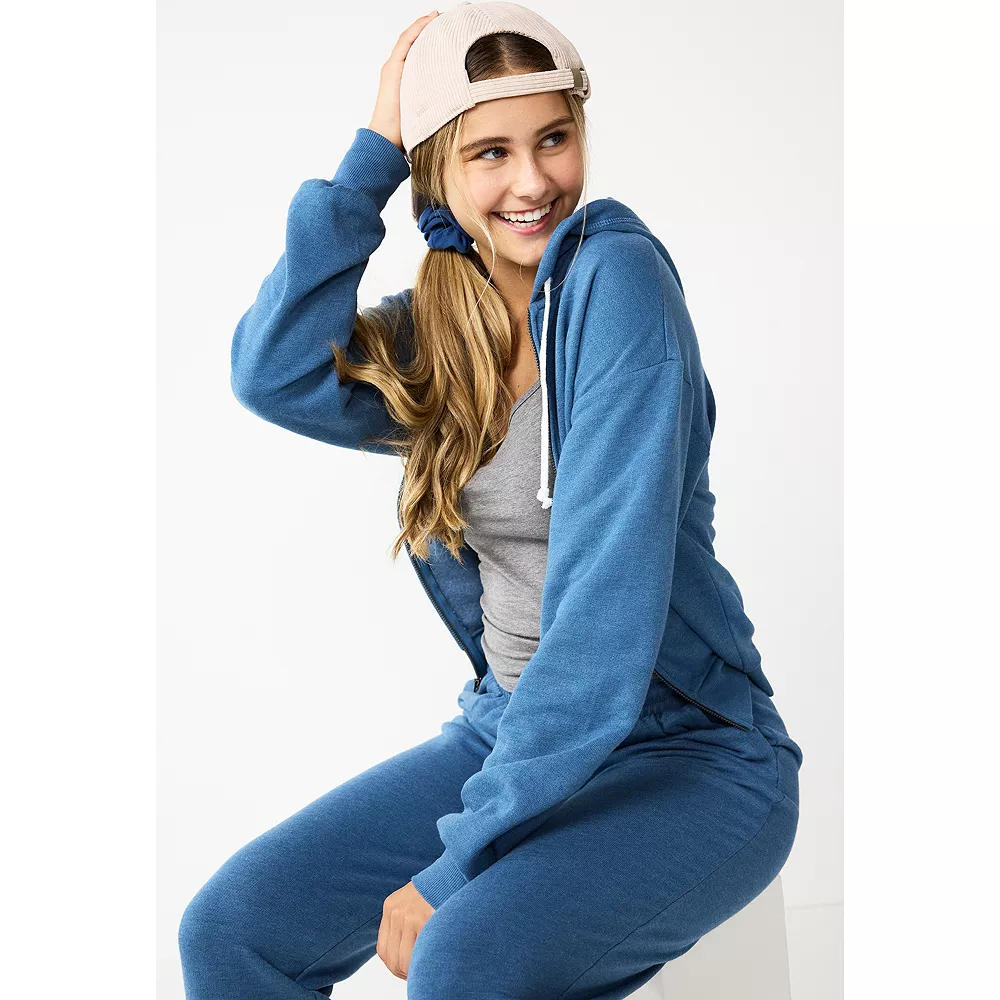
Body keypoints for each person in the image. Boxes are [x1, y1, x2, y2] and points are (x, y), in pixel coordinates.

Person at [178, 4, 804, 998]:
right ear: (438, 171)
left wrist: (459, 859)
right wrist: (373, 157)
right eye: (489, 153)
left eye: (553, 138)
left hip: (687, 754)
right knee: (233, 929)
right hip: (508, 732)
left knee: (464, 957)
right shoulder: (445, 329)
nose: (532, 181)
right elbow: (275, 372)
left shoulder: (617, 281)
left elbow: (601, 616)